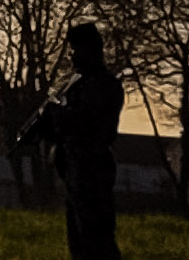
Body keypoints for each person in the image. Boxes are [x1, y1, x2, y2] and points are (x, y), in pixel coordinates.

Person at [16, 24, 123, 260]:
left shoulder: (103, 85)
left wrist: (56, 115)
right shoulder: (75, 83)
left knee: (96, 240)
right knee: (80, 241)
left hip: (91, 167)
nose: (72, 55)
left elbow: (88, 122)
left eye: (76, 49)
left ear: (90, 49)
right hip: (75, 168)